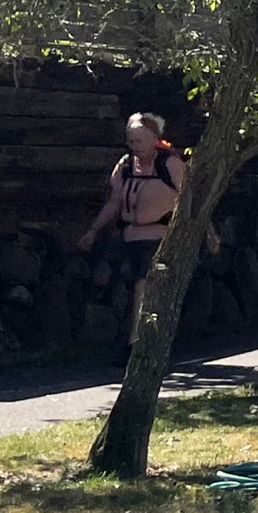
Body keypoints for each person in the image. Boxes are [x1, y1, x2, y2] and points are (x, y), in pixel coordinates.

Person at [76, 112, 192, 357]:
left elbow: (189, 200)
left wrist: (208, 234)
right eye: (131, 141)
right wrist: (93, 231)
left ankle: (136, 345)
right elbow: (114, 203)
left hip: (159, 238)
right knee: (122, 287)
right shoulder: (126, 166)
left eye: (140, 141)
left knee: (143, 284)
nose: (134, 146)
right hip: (128, 237)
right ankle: (130, 339)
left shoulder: (169, 164)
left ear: (154, 139)